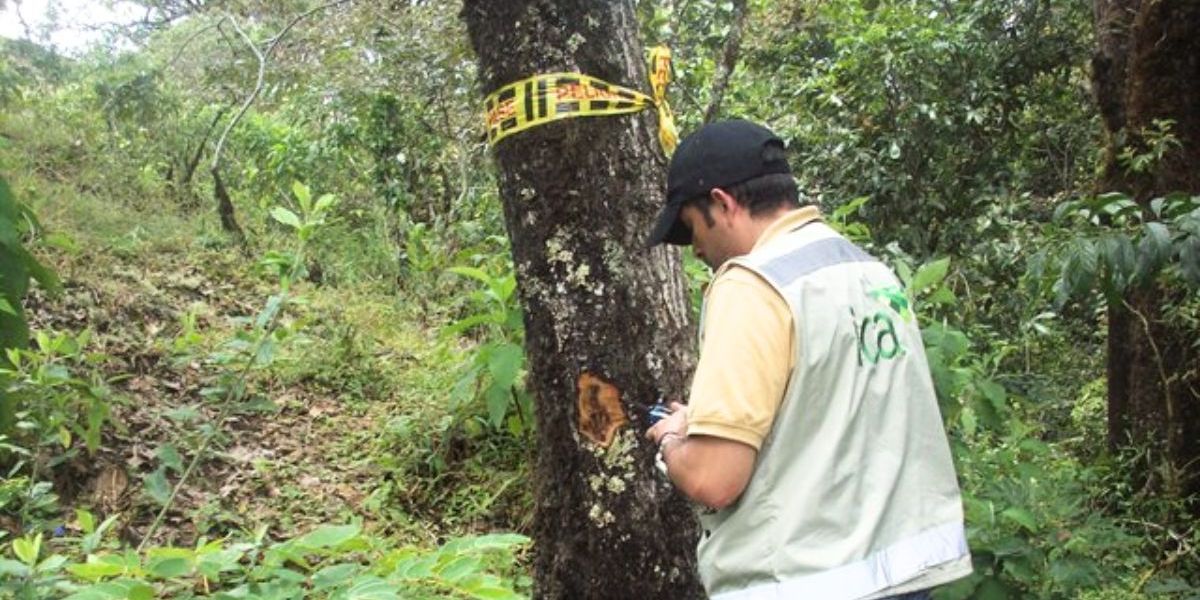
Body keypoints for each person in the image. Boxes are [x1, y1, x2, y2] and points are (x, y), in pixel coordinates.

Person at [644, 119, 972, 600]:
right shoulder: (867, 272)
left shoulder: (752, 285)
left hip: (801, 580)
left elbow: (714, 479)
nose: (695, 249)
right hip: (899, 574)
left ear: (723, 203)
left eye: (691, 227)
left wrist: (675, 441)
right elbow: (829, 411)